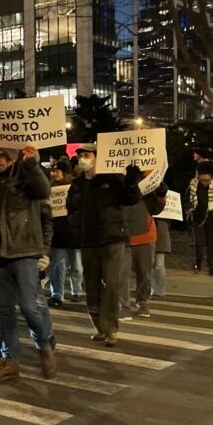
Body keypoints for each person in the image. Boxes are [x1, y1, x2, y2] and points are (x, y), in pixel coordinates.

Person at [0, 146, 56, 384]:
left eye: (2, 157)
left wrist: (31, 164)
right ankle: (9, 360)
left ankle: (44, 345)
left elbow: (43, 190)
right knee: (5, 310)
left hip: (24, 253)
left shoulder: (25, 179)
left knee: (30, 308)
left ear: (12, 158)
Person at [66, 144, 142, 346]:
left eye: (87, 155)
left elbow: (131, 198)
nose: (84, 158)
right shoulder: (77, 184)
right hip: (88, 241)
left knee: (111, 284)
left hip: (112, 239)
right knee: (91, 286)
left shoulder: (112, 179)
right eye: (81, 155)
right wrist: (75, 230)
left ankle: (110, 329)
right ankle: (100, 327)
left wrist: (131, 179)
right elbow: (70, 209)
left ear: (98, 157)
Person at [127, 180, 167, 318]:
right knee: (120, 274)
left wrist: (161, 196)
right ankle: (123, 305)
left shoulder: (150, 183)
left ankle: (143, 303)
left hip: (144, 236)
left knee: (144, 273)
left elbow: (156, 209)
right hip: (121, 236)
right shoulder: (117, 180)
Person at [47, 159, 81, 307]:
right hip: (57, 232)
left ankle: (76, 291)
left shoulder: (74, 187)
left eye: (57, 171)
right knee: (58, 266)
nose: (54, 174)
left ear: (65, 173)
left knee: (77, 265)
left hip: (73, 231)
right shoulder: (49, 188)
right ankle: (57, 295)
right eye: (53, 171)